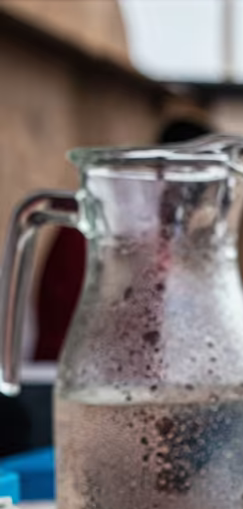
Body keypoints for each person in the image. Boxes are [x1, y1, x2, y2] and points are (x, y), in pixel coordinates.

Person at [33, 111, 212, 363]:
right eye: (201, 182)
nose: (202, 199)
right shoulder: (113, 220)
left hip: (126, 375)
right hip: (72, 370)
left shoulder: (160, 223)